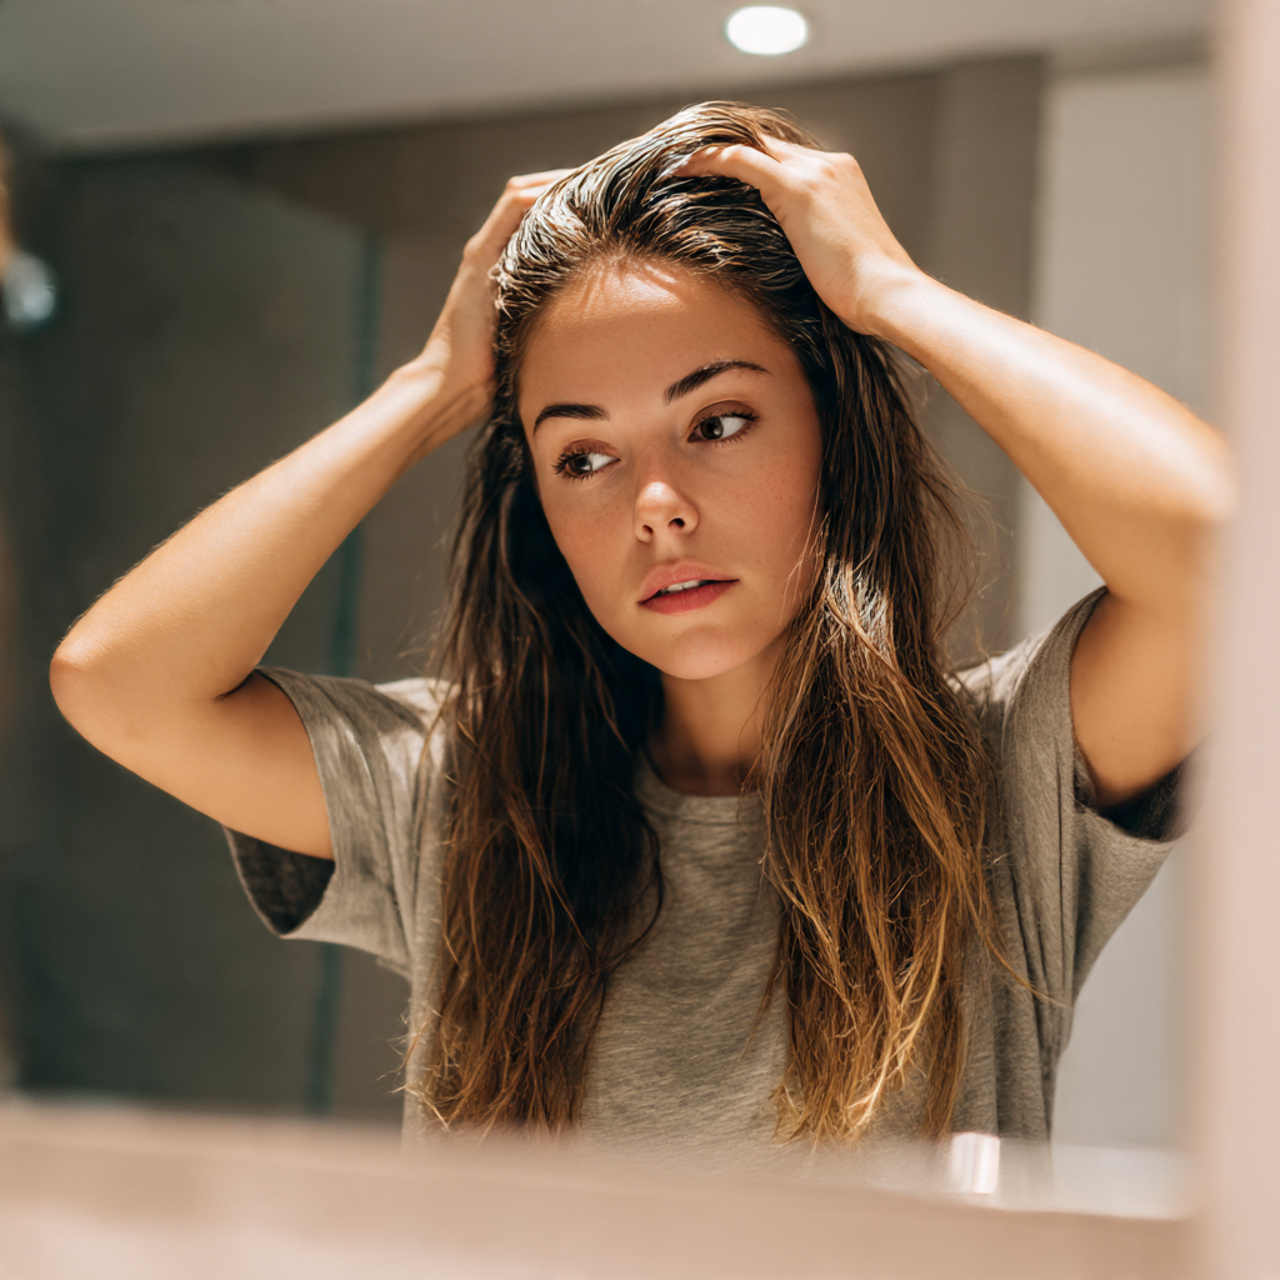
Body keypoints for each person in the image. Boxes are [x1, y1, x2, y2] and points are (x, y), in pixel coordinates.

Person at [49, 103, 1231, 1160]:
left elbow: (1221, 553)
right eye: (583, 454)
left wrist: (891, 298)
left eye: (715, 420)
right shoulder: (466, 789)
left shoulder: (991, 777)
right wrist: (429, 389)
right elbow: (119, 682)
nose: (652, 501)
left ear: (829, 432)